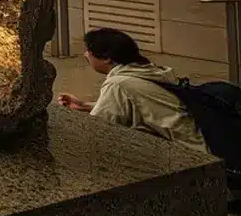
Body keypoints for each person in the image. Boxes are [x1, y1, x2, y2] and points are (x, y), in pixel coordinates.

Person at [57, 28, 207, 154]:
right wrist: (83, 105)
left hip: (190, 154)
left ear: (106, 58)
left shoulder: (118, 84)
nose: (86, 55)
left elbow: (98, 130)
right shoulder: (149, 70)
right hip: (203, 140)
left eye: (89, 51)